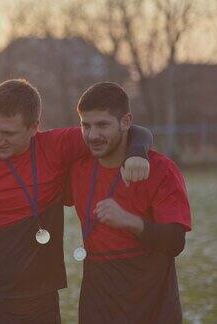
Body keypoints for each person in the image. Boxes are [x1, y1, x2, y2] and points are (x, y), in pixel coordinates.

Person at [0, 79, 152, 323]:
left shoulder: (55, 146)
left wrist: (136, 154)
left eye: (9, 133)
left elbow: (131, 130)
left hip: (36, 299)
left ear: (34, 127)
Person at [65, 82, 191, 323]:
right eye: (86, 125)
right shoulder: (78, 168)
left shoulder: (161, 169)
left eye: (102, 125)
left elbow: (175, 241)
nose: (92, 135)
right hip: (97, 304)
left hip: (151, 304)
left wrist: (130, 222)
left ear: (125, 122)